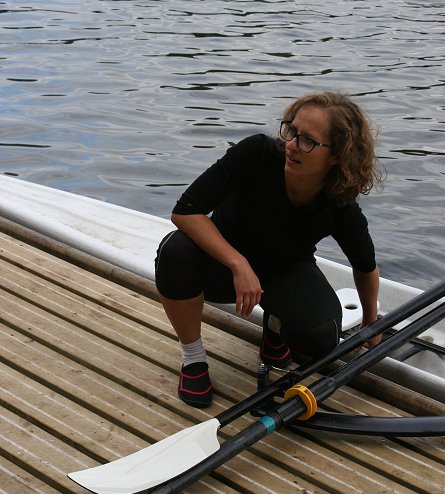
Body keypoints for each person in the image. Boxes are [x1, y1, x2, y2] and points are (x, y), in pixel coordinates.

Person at [155, 91, 383, 408]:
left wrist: (371, 322)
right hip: (222, 267)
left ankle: (274, 329)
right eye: (291, 130)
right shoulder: (258, 153)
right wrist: (238, 263)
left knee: (320, 339)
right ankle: (194, 359)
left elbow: (366, 266)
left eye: (308, 141)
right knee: (174, 252)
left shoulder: (339, 203)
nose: (291, 144)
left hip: (282, 271)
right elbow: (185, 212)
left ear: (336, 156)